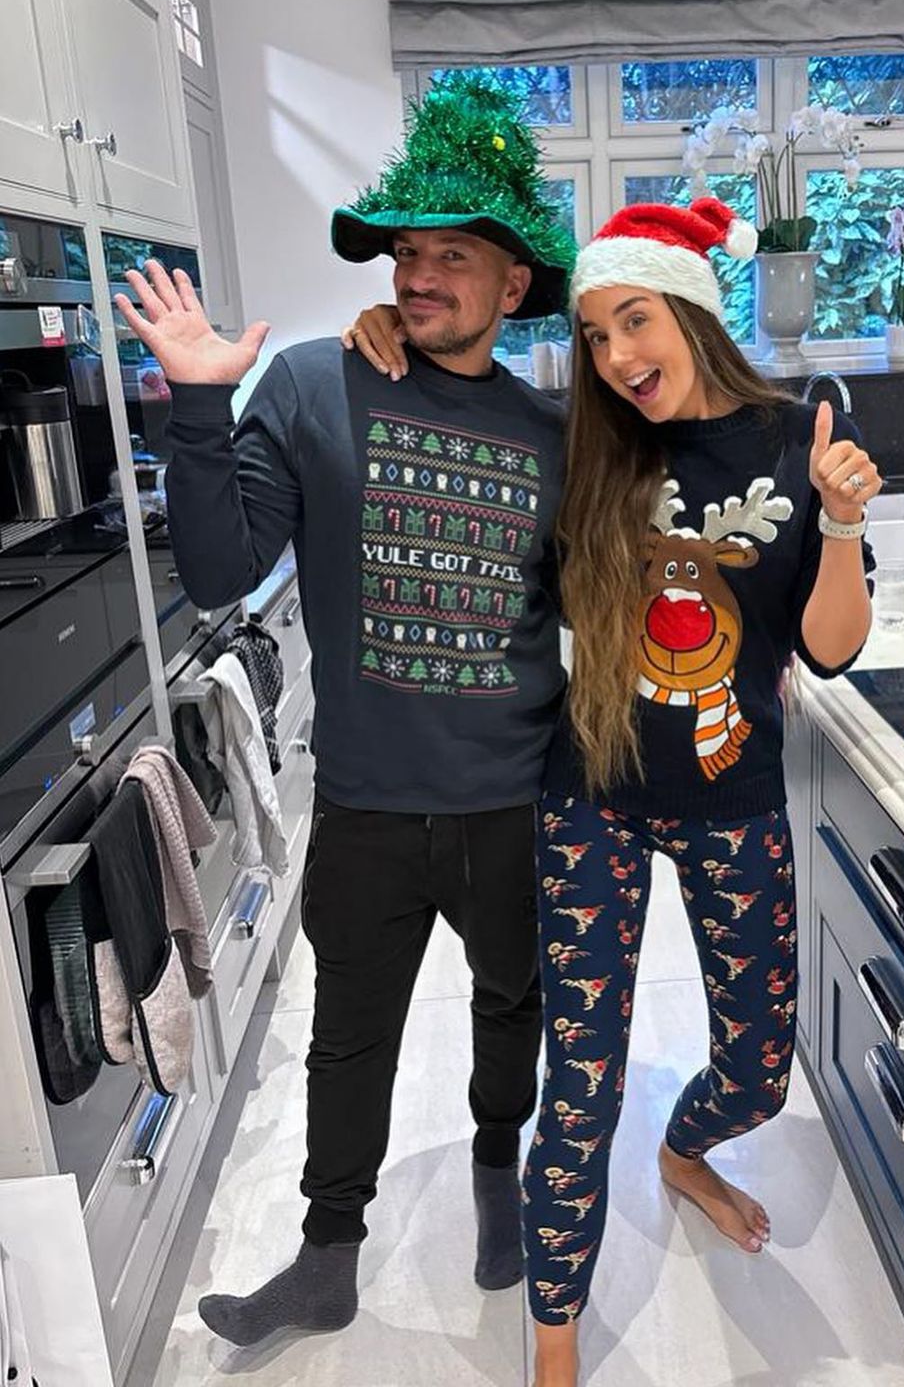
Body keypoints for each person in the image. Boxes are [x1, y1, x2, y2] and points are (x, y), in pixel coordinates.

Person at [348, 196, 879, 1387]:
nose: (616, 358)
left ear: (689, 307)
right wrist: (383, 335)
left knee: (758, 1065)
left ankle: (685, 1155)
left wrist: (842, 523)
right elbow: (448, 406)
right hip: (587, 795)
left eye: (633, 321)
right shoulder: (582, 443)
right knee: (580, 1077)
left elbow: (832, 650)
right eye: (592, 336)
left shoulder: (799, 439)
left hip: (733, 794)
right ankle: (552, 1342)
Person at [113, 74, 578, 1348]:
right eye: (408, 253)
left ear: (513, 286)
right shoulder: (318, 386)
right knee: (349, 1038)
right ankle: (328, 1256)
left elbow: (594, 603)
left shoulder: (553, 433)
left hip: (514, 798)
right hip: (369, 802)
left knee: (511, 1005)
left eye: (454, 257)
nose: (421, 276)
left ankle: (497, 1178)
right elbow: (217, 572)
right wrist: (198, 404)